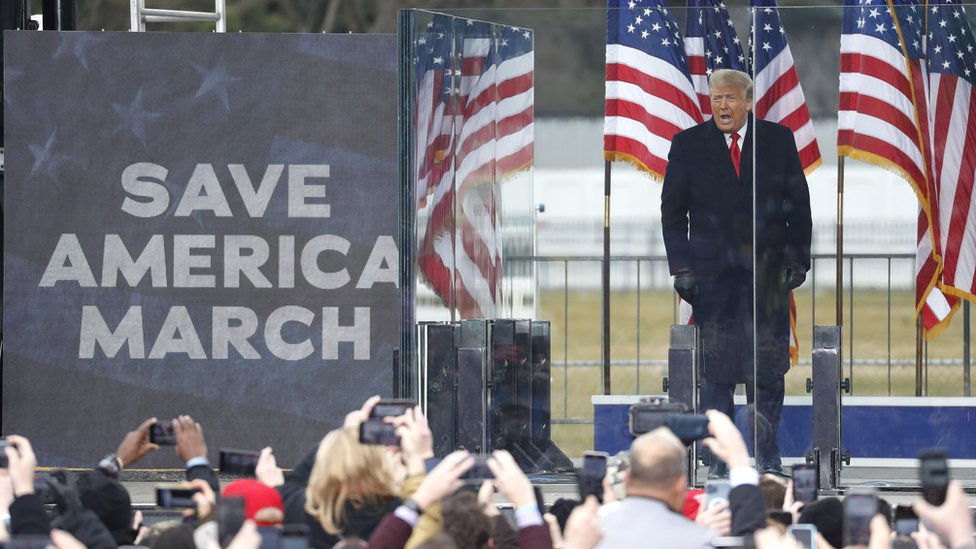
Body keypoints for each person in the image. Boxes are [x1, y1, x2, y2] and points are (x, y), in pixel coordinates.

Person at [660, 68, 813, 478]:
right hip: (712, 284)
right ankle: (719, 461)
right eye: (716, 98)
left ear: (748, 102)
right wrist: (683, 269)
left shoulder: (777, 141)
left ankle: (766, 457)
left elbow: (798, 207)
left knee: (766, 371)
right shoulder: (688, 145)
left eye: (731, 98)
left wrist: (797, 261)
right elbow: (673, 215)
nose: (723, 106)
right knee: (718, 375)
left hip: (767, 282)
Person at [595, 410, 766, 548]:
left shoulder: (589, 532)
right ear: (680, 485)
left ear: (626, 480)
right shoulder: (699, 541)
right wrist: (739, 461)